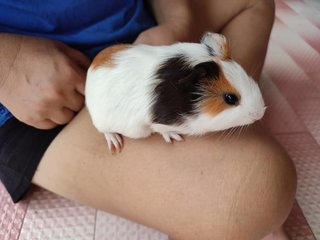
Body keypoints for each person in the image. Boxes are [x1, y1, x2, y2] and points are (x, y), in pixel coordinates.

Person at [0, 0, 296, 239]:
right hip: (39, 85)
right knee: (249, 193)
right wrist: (7, 64)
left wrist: (175, 23)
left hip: (143, 30)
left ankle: (231, 129)